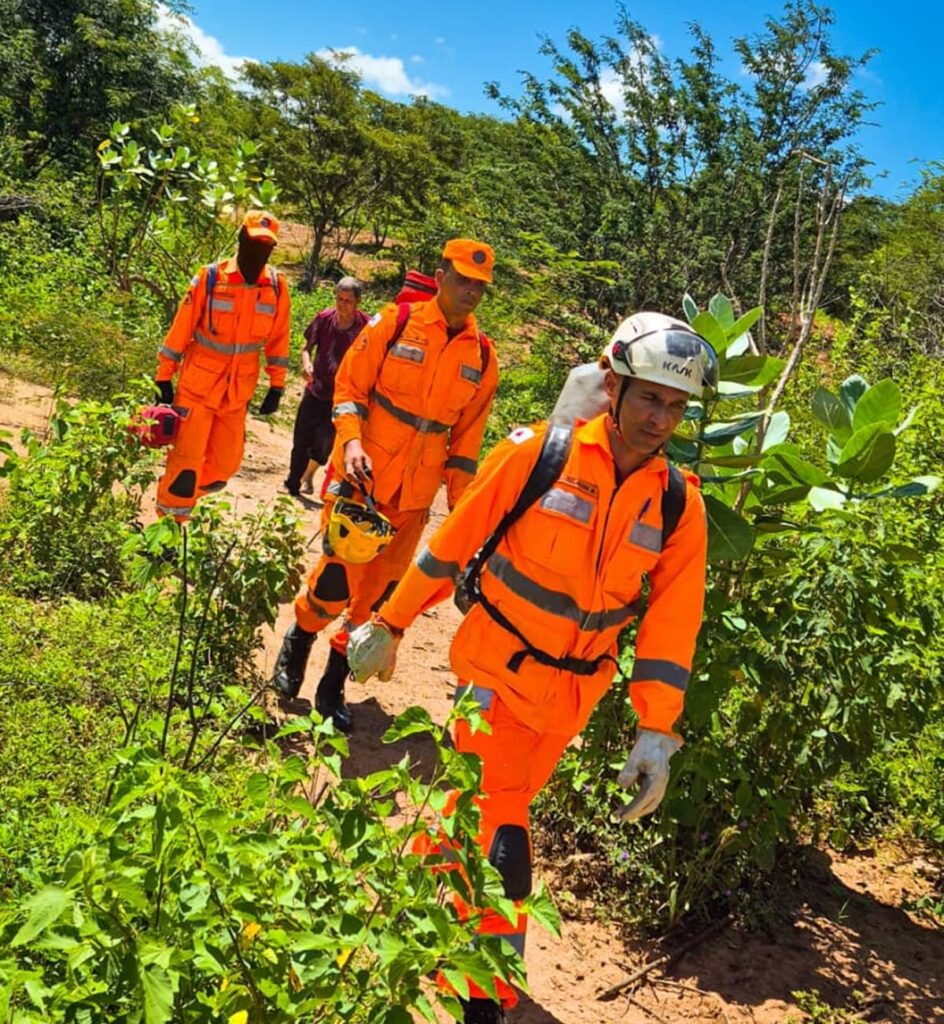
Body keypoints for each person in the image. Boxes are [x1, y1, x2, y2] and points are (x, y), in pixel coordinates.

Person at [347, 311, 717, 1024]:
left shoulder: (678, 504)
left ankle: (429, 898)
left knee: (471, 819)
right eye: (649, 399)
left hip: (569, 700)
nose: (660, 419)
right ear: (613, 386)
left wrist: (657, 732)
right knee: (505, 842)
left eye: (676, 407)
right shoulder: (540, 454)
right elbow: (454, 543)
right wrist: (391, 621)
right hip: (494, 676)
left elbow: (674, 625)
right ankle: (482, 993)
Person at [271, 238, 500, 732]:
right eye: (462, 280)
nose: (470, 292)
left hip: (413, 501)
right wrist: (350, 443)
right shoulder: (396, 324)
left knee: (375, 600)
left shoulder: (482, 356)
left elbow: (465, 446)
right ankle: (300, 638)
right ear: (440, 278)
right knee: (334, 585)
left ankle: (334, 683)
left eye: (479, 286)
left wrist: (464, 518)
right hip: (362, 481)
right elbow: (350, 388)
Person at [154, 210, 290, 522]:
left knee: (225, 466)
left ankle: (174, 493)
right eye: (255, 244)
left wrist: (278, 385)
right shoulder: (211, 278)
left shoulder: (277, 287)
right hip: (197, 388)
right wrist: (164, 376)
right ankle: (167, 531)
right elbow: (181, 328)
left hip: (237, 392)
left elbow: (279, 339)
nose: (260, 252)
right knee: (186, 462)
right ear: (242, 239)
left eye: (267, 247)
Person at [284, 276, 369, 497]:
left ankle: (308, 475)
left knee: (324, 443)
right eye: (339, 299)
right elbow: (306, 347)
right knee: (301, 438)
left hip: (343, 396)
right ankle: (292, 483)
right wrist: (306, 364)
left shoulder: (366, 328)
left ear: (358, 301)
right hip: (316, 387)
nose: (342, 305)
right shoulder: (324, 319)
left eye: (348, 300)